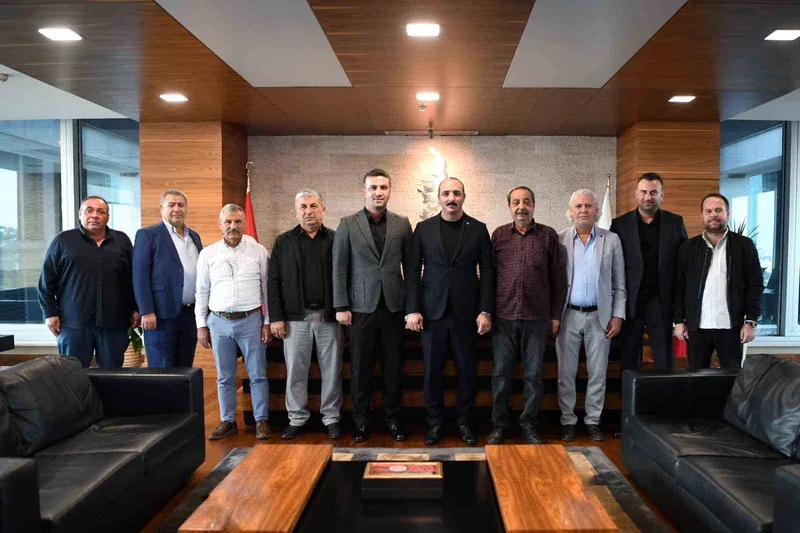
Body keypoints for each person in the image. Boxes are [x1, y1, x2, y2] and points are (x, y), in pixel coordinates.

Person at [406, 177, 494, 446]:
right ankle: (434, 424)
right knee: (432, 373)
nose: (451, 198)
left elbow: (488, 273)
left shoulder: (478, 229)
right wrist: (412, 309)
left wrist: (485, 311)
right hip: (432, 314)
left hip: (467, 315)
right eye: (446, 193)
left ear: (464, 196)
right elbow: (412, 273)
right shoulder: (423, 229)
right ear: (439, 198)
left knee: (467, 372)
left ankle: (465, 423)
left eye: (456, 193)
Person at [332, 169, 413, 443]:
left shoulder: (402, 224)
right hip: (359, 309)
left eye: (383, 187)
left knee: (394, 368)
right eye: (373, 187)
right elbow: (339, 268)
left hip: (394, 308)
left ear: (390, 190)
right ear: (364, 190)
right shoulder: (347, 224)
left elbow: (411, 268)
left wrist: (411, 306)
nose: (378, 192)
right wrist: (341, 305)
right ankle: (361, 421)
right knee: (360, 369)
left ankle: (393, 419)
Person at [488, 186, 565, 445]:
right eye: (516, 202)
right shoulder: (498, 235)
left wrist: (555, 315)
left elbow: (558, 279)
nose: (521, 207)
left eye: (526, 201)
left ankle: (529, 425)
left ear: (534, 205)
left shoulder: (548, 235)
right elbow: (489, 278)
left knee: (533, 377)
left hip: (537, 318)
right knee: (501, 375)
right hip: (503, 316)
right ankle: (499, 425)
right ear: (509, 206)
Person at [268, 189, 344, 440]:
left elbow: (346, 277)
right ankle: (297, 418)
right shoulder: (283, 242)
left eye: (313, 206)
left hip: (328, 318)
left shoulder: (336, 239)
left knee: (332, 372)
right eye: (303, 207)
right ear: (296, 211)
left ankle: (331, 417)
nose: (308, 211)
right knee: (296, 372)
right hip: (294, 320)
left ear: (323, 209)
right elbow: (273, 282)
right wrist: (276, 317)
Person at [196, 204, 272, 441]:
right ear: (220, 224)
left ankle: (261, 420)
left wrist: (267, 322)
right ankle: (228, 420)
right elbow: (202, 291)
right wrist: (201, 325)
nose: (233, 226)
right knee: (225, 376)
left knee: (258, 374)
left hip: (251, 320)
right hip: (218, 322)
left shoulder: (259, 251)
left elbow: (268, 289)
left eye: (238, 222)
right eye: (228, 222)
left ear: (245, 224)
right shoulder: (208, 254)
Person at [557, 190, 626, 442]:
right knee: (566, 374)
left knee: (598, 373)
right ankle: (568, 421)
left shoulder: (612, 240)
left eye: (588, 205)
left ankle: (593, 420)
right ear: (570, 211)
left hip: (601, 316)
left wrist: (618, 315)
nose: (583, 210)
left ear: (597, 210)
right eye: (578, 206)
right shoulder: (559, 239)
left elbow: (620, 283)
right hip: (568, 316)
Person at [38, 196, 139, 368]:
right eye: (89, 210)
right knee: (72, 374)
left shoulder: (122, 241)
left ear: (108, 216)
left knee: (112, 376)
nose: (94, 215)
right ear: (80, 214)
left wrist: (136, 309)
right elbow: (47, 280)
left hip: (114, 323)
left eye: (100, 211)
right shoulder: (63, 241)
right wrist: (50, 313)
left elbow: (133, 278)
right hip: (73, 323)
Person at [673, 193, 762, 369]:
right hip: (697, 328)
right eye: (709, 211)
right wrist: (678, 320)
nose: (713, 215)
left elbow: (755, 286)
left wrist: (750, 321)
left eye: (718, 210)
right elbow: (679, 287)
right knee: (697, 378)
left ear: (728, 214)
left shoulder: (744, 246)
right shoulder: (688, 248)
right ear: (702, 216)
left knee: (732, 378)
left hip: (732, 328)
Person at [611, 172, 687, 371]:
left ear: (661, 195)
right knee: (629, 359)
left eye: (653, 192)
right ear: (636, 194)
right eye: (644, 192)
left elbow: (683, 264)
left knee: (664, 360)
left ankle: (664, 392)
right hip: (630, 302)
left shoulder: (675, 223)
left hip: (661, 301)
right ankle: (629, 393)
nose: (648, 197)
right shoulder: (619, 224)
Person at [133, 189, 202, 368]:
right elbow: (140, 276)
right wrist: (146, 311)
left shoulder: (194, 236)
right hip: (160, 316)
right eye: (171, 205)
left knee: (185, 369)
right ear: (161, 208)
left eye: (181, 205)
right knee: (161, 371)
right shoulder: (148, 235)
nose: (176, 209)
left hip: (190, 315)